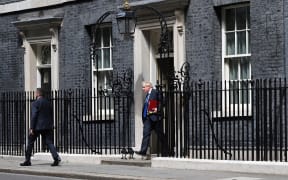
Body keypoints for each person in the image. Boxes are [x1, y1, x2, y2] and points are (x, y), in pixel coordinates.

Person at [20, 88, 61, 166]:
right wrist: (51, 125)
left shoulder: (35, 103)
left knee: (30, 142)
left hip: (37, 127)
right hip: (48, 126)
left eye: (35, 93)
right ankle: (56, 157)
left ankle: (27, 160)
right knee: (49, 142)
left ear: (37, 94)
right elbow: (51, 115)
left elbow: (34, 116)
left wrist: (32, 127)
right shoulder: (48, 103)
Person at [135, 81, 168, 157]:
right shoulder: (148, 95)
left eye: (144, 87)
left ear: (148, 86)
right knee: (145, 134)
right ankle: (143, 151)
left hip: (155, 118)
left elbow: (162, 102)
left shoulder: (155, 92)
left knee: (160, 135)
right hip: (148, 118)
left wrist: (157, 109)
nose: (143, 89)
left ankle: (166, 151)